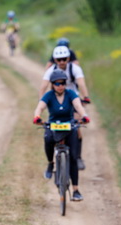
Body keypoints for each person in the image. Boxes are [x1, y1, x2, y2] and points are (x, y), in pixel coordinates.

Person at [33, 69, 90, 201]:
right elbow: (40, 107)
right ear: (52, 84)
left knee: (74, 158)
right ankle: (50, 163)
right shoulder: (48, 95)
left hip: (69, 125)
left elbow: (78, 106)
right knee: (47, 138)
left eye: (63, 83)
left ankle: (76, 190)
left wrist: (84, 116)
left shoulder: (71, 94)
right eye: (57, 84)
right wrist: (37, 116)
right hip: (53, 125)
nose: (60, 86)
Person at [39, 46, 91, 170]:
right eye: (59, 59)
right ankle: (54, 157)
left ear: (68, 58)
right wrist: (42, 102)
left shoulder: (75, 69)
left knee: (76, 127)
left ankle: (78, 157)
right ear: (55, 60)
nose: (62, 62)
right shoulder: (51, 70)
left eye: (64, 59)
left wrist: (86, 97)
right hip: (57, 98)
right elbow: (43, 86)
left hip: (73, 98)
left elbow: (81, 83)